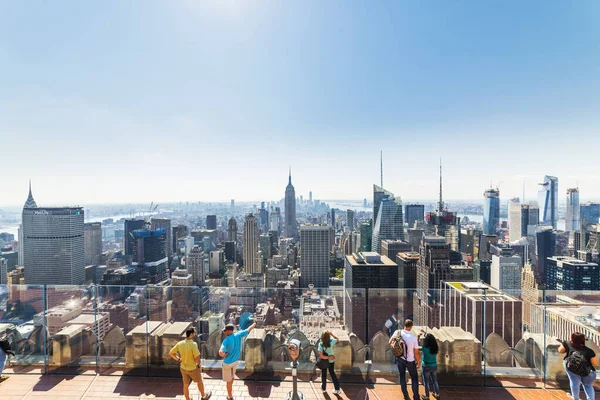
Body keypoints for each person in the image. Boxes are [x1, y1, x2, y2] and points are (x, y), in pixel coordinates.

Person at [169, 327, 212, 400]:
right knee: (199, 382)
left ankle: (188, 398)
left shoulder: (180, 343)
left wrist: (178, 359)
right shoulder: (193, 344)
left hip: (183, 368)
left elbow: (170, 353)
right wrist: (198, 365)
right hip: (193, 368)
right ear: (191, 334)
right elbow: (197, 358)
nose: (195, 334)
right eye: (194, 333)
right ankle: (203, 396)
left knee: (185, 384)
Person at [219, 321, 256, 400]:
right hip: (235, 361)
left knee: (228, 381)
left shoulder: (226, 340)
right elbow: (248, 329)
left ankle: (230, 396)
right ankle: (230, 391)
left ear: (229, 331)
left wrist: (223, 354)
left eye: (225, 330)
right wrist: (254, 323)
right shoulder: (238, 334)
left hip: (227, 363)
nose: (224, 332)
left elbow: (220, 352)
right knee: (232, 377)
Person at [558, 332, 598, 400]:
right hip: (587, 372)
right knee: (588, 385)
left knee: (574, 382)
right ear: (583, 340)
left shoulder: (567, 344)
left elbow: (560, 350)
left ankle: (575, 398)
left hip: (572, 369)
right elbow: (595, 363)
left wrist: (567, 343)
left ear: (572, 339)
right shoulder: (589, 351)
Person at [390, 319, 420, 400]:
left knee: (402, 376)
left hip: (400, 358)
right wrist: (418, 362)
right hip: (410, 360)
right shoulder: (413, 338)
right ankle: (416, 397)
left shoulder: (397, 332)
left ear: (404, 325)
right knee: (414, 378)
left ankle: (406, 396)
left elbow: (390, 342)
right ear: (411, 327)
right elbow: (416, 352)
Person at [318, 330, 341, 394]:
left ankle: (324, 388)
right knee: (332, 374)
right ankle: (337, 389)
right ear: (328, 336)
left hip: (324, 361)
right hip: (331, 361)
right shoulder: (332, 342)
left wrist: (327, 357)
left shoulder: (321, 344)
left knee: (324, 374)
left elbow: (321, 356)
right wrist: (332, 334)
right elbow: (337, 339)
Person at [418, 331, 440, 400]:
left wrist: (418, 337)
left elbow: (417, 347)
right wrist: (425, 333)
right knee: (435, 380)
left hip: (426, 366)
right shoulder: (435, 347)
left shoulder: (424, 348)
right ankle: (437, 394)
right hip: (434, 365)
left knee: (426, 382)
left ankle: (427, 396)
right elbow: (430, 337)